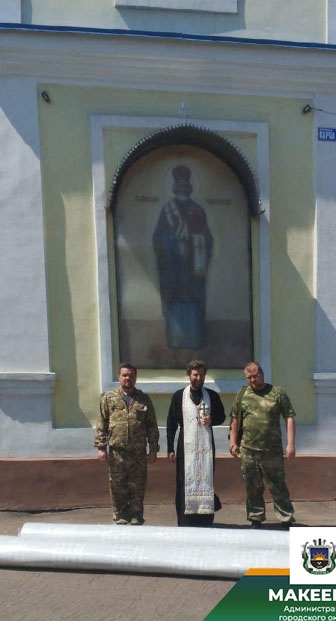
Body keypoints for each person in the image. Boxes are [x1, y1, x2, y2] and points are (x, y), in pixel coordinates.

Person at [229, 361, 296, 529]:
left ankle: (286, 518)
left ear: (262, 374)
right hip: (248, 450)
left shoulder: (277, 393)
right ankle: (255, 519)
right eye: (249, 377)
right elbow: (235, 419)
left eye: (255, 376)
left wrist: (291, 444)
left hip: (271, 451)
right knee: (252, 487)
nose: (253, 380)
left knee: (278, 486)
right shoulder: (242, 394)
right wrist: (232, 442)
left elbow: (289, 417)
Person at [153, 165, 213, 349]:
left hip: (193, 268)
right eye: (179, 187)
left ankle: (194, 340)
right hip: (174, 268)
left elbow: (208, 238)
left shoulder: (197, 210)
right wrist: (172, 243)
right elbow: (157, 238)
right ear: (174, 188)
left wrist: (195, 243)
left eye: (185, 187)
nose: (182, 190)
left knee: (193, 302)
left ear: (190, 188)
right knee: (175, 300)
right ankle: (176, 340)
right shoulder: (168, 211)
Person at [95, 363, 159, 525]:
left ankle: (136, 515)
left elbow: (151, 425)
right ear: (119, 377)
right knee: (117, 485)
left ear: (135, 378)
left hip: (138, 452)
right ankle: (120, 515)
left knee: (137, 486)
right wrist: (101, 447)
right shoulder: (109, 398)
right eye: (124, 375)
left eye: (131, 375)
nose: (127, 378)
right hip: (117, 452)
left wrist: (153, 448)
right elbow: (101, 423)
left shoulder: (144, 399)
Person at [167, 359, 225, 526]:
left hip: (206, 447)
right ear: (189, 375)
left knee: (206, 479)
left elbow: (222, 416)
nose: (198, 378)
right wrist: (170, 447)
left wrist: (212, 419)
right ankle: (185, 520)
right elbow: (171, 423)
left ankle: (205, 519)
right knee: (183, 480)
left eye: (201, 374)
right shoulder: (179, 396)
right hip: (185, 447)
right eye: (195, 374)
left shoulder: (212, 396)